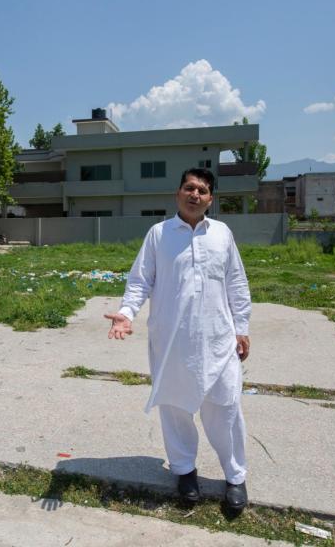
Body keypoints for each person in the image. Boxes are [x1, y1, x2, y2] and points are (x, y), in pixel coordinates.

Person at [104, 168, 251, 511]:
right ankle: (185, 472)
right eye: (189, 188)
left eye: (202, 190)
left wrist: (241, 327)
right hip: (172, 341)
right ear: (178, 193)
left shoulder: (223, 234)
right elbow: (140, 280)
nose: (195, 194)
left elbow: (237, 283)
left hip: (218, 339)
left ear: (210, 199)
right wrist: (127, 313)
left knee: (225, 408)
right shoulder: (159, 234)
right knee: (174, 408)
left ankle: (235, 476)